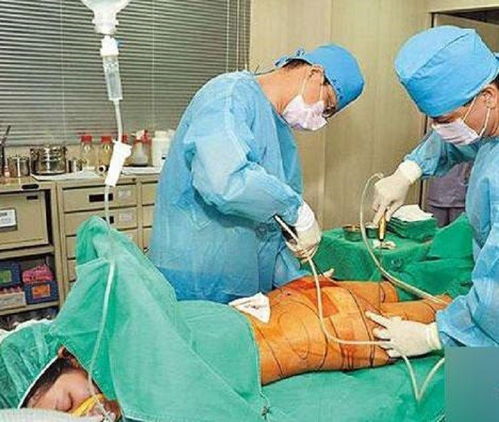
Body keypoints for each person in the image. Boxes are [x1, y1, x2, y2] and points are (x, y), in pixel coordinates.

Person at [1, 277, 448, 417]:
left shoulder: (127, 342)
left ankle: (466, 335)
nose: (85, 413)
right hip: (257, 330)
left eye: (68, 403)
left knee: (383, 321)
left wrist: (436, 336)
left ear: (67, 358)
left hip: (265, 334)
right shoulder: (117, 383)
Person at [149, 44, 365, 303]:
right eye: (326, 105)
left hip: (242, 281)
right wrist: (296, 209)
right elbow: (224, 181)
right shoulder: (228, 96)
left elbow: (269, 229)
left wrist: (296, 282)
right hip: (196, 274)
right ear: (314, 74)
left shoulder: (280, 133)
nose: (320, 119)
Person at [368, 26, 499, 354]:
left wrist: (435, 336)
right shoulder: (487, 117)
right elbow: (456, 141)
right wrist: (407, 172)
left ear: (488, 96)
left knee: (473, 389)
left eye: (444, 119)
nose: (438, 129)